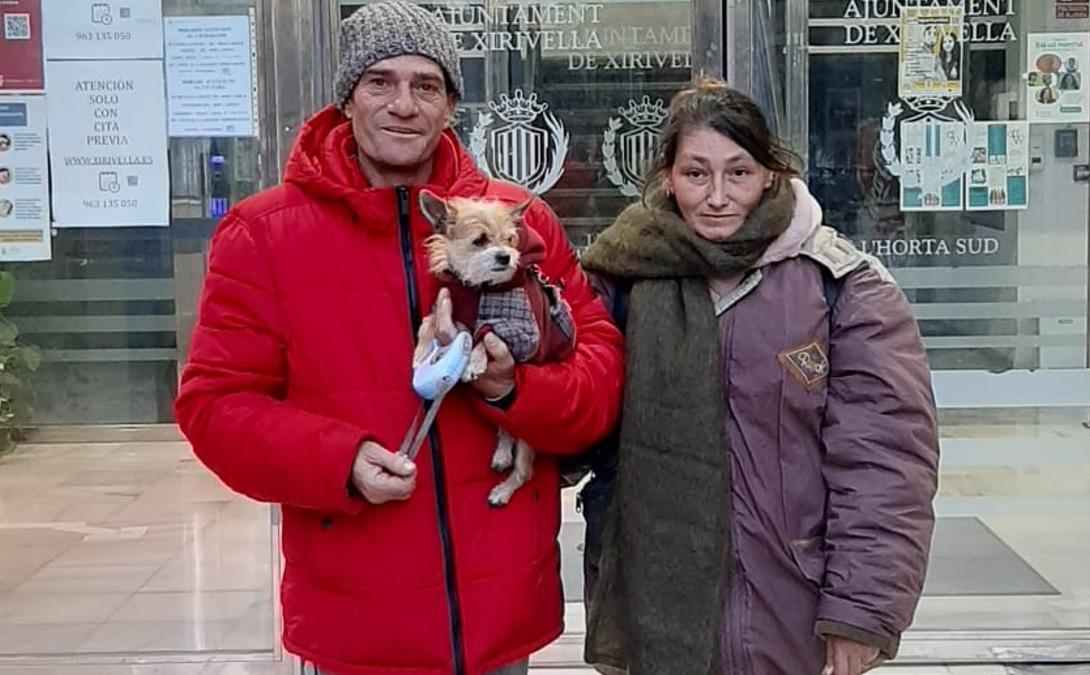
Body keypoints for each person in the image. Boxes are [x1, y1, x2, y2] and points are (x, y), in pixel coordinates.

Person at [173, 3, 624, 674]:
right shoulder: (263, 235)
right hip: (357, 618)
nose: (403, 104)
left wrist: (515, 390)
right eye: (380, 82)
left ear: (450, 106)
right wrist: (339, 460)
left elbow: (600, 371)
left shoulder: (514, 221)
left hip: (500, 613)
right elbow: (215, 406)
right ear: (347, 100)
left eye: (426, 85)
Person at [580, 78, 939, 675]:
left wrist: (862, 611)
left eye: (738, 173)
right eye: (697, 173)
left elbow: (884, 464)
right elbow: (574, 433)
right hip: (649, 614)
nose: (718, 195)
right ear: (667, 177)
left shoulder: (843, 287)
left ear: (770, 174)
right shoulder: (619, 280)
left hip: (791, 615)